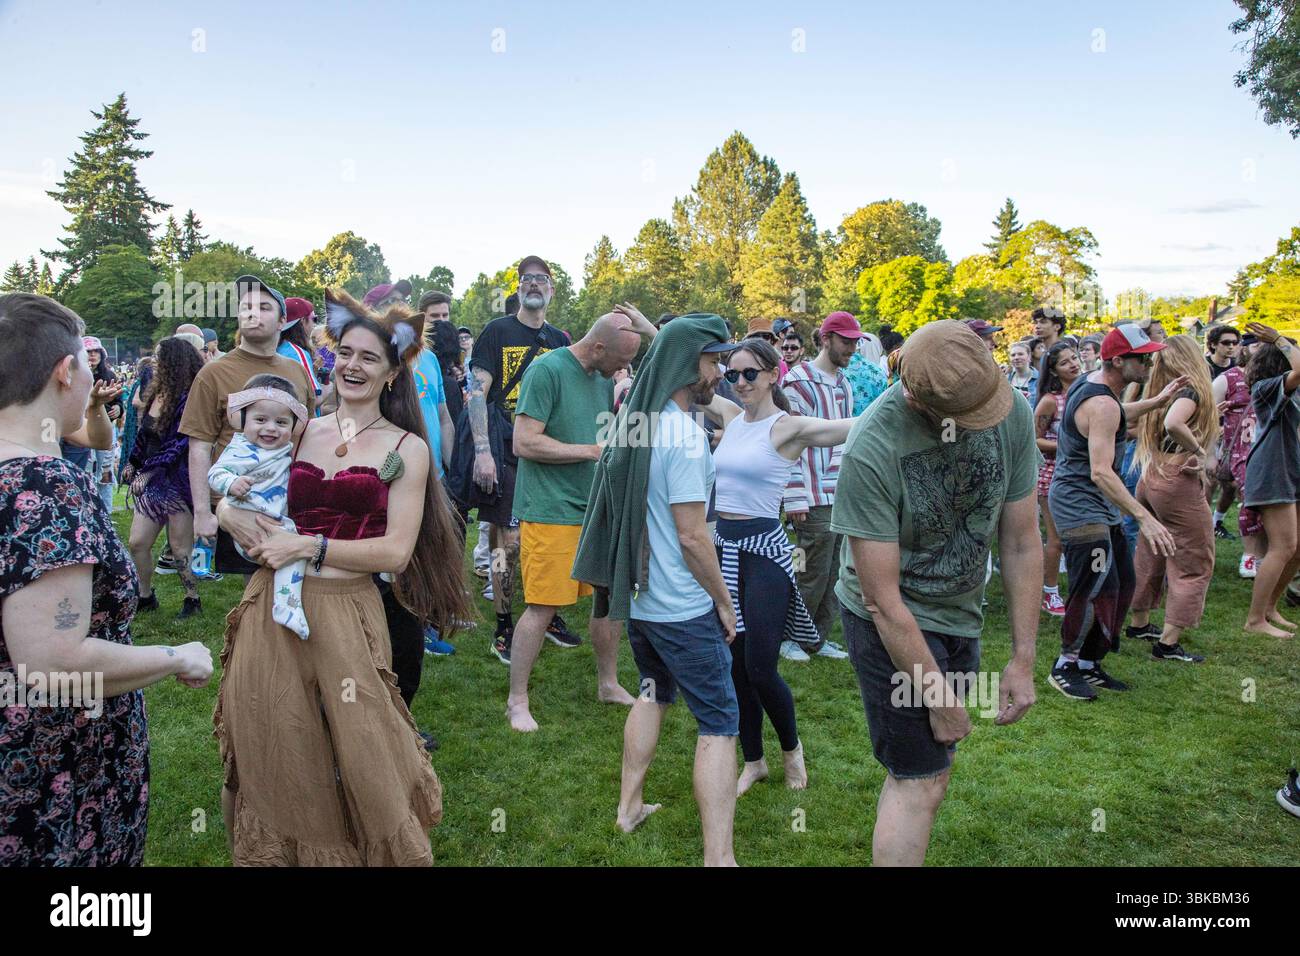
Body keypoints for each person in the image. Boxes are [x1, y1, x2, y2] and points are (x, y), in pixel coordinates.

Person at [213, 287, 470, 865]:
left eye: (368, 358)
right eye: (345, 354)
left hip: (346, 614)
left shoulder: (404, 448)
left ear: (391, 374)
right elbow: (241, 475)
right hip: (271, 608)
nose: (352, 366)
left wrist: (308, 544)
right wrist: (228, 511)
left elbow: (396, 551)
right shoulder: (301, 429)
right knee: (273, 740)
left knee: (365, 751)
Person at [0, 293, 212, 866]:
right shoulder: (44, 487)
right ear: (65, 371)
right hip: (48, 773)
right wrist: (174, 656)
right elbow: (50, 664)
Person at [832, 319, 1040, 866]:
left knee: (928, 775)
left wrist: (1023, 656)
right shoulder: (871, 448)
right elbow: (882, 600)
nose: (986, 419)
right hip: (890, 620)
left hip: (961, 611)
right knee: (920, 780)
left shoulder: (1010, 406)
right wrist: (941, 699)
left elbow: (1020, 541)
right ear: (918, 398)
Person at [572, 313, 740, 866]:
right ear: (687, 364)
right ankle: (720, 858)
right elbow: (694, 538)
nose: (720, 372)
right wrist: (723, 600)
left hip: (641, 599)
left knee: (651, 692)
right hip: (683, 606)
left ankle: (628, 808)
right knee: (719, 722)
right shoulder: (686, 439)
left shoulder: (635, 425)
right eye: (714, 360)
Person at [703, 338, 854, 795]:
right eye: (733, 375)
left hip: (764, 553)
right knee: (733, 666)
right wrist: (655, 332)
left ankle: (792, 752)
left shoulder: (787, 428)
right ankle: (754, 761)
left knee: (760, 667)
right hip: (722, 550)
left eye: (750, 373)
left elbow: (854, 426)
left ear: (773, 374)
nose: (741, 382)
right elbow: (686, 375)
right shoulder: (731, 418)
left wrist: (909, 389)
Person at [505, 305, 654, 731]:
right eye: (623, 361)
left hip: (594, 506)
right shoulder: (546, 371)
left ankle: (608, 683)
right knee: (543, 607)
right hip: (550, 510)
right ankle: (517, 700)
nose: (624, 370)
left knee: (607, 601)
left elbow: (597, 434)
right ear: (599, 346)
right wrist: (591, 452)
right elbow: (524, 442)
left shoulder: (601, 377)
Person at [1046, 323, 1186, 700]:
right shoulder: (1102, 402)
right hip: (1080, 504)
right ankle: (1065, 665)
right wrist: (1144, 516)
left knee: (1122, 583)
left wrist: (1155, 404)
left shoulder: (1096, 388)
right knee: (1093, 586)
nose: (1149, 362)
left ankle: (1090, 663)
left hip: (1098, 502)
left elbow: (1114, 412)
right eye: (1142, 358)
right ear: (1119, 360)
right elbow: (1100, 471)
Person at [465, 256, 570, 660]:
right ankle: (504, 626)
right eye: (527, 279)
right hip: (503, 447)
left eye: (541, 279)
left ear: (551, 290)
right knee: (505, 541)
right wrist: (481, 452)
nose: (534, 284)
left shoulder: (559, 340)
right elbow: (477, 392)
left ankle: (547, 614)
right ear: (519, 288)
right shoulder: (497, 331)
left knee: (546, 536)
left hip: (543, 450)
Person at [179, 275, 314, 579]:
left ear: (282, 321)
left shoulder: (295, 370)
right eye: (246, 307)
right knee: (252, 593)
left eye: (264, 307)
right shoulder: (213, 373)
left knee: (294, 585)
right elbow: (199, 445)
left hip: (288, 502)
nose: (253, 313)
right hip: (239, 505)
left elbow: (307, 434)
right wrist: (202, 512)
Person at [1126, 335, 1216, 663]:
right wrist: (1200, 450)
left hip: (1152, 477)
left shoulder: (1160, 390)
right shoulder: (1189, 391)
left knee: (1151, 551)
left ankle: (1139, 623)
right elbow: (1174, 423)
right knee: (1194, 560)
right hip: (1177, 484)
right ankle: (1167, 643)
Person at [782, 312, 861, 662]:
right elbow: (790, 441)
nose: (852, 348)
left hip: (841, 489)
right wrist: (794, 494)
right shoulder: (797, 381)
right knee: (809, 570)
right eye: (846, 341)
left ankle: (816, 638)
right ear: (826, 339)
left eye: (856, 341)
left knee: (835, 571)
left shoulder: (844, 382)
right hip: (812, 492)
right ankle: (788, 636)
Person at [207, 374, 311, 639]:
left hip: (274, 520)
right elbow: (216, 473)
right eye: (260, 420)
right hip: (251, 526)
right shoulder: (242, 448)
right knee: (296, 551)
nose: (270, 428)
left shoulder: (285, 447)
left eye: (281, 422)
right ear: (243, 420)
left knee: (295, 550)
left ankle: (280, 610)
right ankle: (288, 605)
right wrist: (232, 483)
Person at [123, 336, 206, 618]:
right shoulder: (155, 393)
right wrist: (133, 463)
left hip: (178, 481)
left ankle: (192, 598)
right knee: (137, 543)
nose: (154, 362)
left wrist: (148, 472)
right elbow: (144, 436)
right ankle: (145, 595)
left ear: (174, 362)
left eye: (160, 358)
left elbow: (178, 444)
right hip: (151, 480)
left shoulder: (190, 397)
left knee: (181, 547)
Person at [1241, 322, 1300, 638]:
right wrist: (1278, 338)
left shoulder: (1292, 389)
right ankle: (1254, 620)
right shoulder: (1265, 389)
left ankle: (1270, 608)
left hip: (1292, 471)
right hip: (1272, 473)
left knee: (1297, 548)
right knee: (1283, 546)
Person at [1034, 342, 1084, 617]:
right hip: (1053, 475)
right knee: (1057, 538)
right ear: (1054, 371)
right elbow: (1035, 439)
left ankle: (1081, 588)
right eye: (1065, 362)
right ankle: (1050, 593)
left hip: (1082, 474)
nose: (1073, 364)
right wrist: (1068, 446)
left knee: (1081, 536)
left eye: (1074, 358)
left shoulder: (1087, 393)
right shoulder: (1051, 400)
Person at [1213, 343, 1258, 574]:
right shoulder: (1227, 379)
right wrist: (1213, 448)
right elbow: (1208, 413)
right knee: (1248, 498)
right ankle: (1249, 556)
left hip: (1267, 451)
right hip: (1239, 450)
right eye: (1255, 344)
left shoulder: (1275, 378)